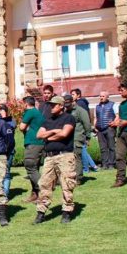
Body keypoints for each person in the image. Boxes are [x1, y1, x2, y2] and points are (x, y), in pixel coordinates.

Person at [33, 96, 78, 224]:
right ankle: (41, 212)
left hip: (65, 155)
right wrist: (54, 131)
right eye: (50, 105)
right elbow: (38, 135)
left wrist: (49, 137)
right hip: (49, 157)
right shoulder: (47, 121)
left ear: (61, 106)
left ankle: (66, 212)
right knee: (44, 183)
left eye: (54, 105)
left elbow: (64, 134)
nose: (51, 107)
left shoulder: (68, 118)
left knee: (67, 183)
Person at [19, 96, 44, 203]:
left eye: (22, 103)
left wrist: (26, 126)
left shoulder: (30, 112)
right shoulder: (36, 112)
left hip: (33, 143)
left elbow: (21, 127)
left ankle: (43, 192)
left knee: (30, 167)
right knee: (35, 168)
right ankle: (35, 194)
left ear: (26, 104)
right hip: (38, 143)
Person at [65, 95, 92, 183]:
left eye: (68, 104)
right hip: (68, 138)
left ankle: (79, 178)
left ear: (73, 101)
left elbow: (87, 124)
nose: (67, 106)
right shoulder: (66, 111)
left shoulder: (80, 111)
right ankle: (70, 177)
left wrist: (87, 137)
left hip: (77, 137)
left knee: (77, 158)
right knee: (68, 159)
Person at [94, 91, 117, 170]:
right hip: (100, 129)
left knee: (111, 147)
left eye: (103, 96)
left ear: (107, 97)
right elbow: (96, 118)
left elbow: (118, 115)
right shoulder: (97, 106)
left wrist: (114, 122)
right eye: (100, 96)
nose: (101, 98)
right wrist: (95, 127)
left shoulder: (113, 105)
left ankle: (111, 164)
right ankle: (104, 164)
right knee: (103, 148)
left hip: (109, 128)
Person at [0, 104, 16, 199]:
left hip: (9, 151)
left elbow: (11, 128)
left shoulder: (11, 121)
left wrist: (4, 118)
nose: (0, 112)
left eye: (2, 110)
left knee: (6, 173)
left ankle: (5, 194)